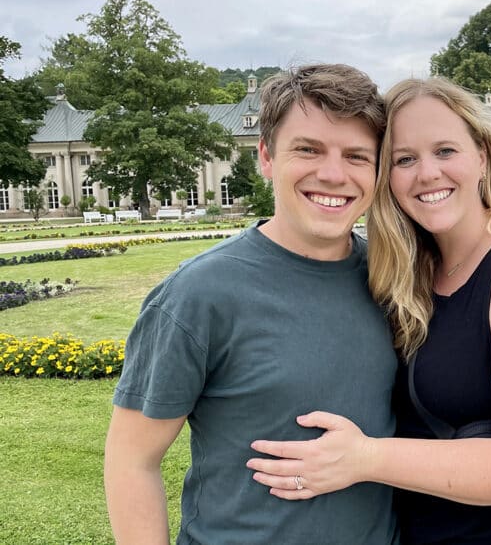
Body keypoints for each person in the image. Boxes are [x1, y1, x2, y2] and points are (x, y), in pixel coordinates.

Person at [247, 77, 491, 544]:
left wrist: (364, 458)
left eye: (445, 151)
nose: (427, 173)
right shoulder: (410, 269)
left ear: (482, 156)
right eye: (404, 159)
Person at [104, 64, 399, 544]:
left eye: (356, 156)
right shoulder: (199, 293)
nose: (332, 174)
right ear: (265, 156)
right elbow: (132, 460)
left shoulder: (392, 280)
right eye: (308, 149)